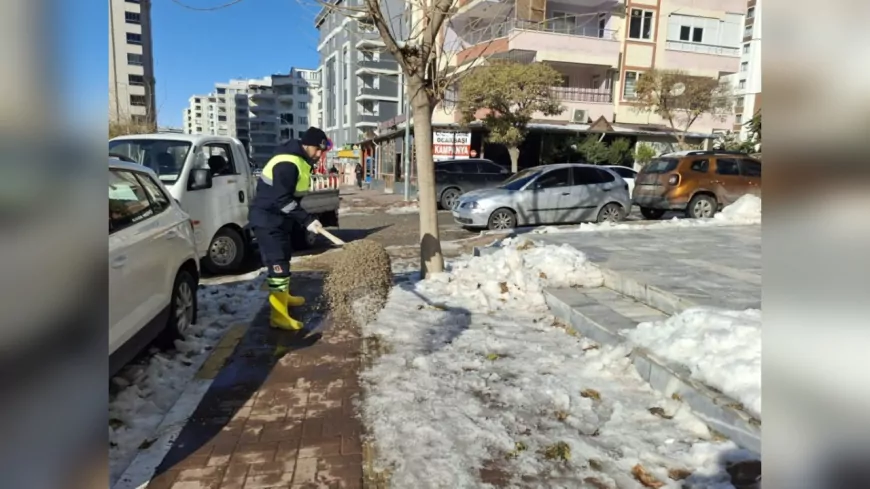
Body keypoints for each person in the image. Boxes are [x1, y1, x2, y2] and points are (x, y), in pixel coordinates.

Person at [248, 127, 332, 331]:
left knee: (284, 260)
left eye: (323, 151)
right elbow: (281, 199)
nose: (320, 155)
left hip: (279, 221)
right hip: (268, 221)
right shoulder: (287, 163)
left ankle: (284, 297)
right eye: (318, 150)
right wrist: (307, 220)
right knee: (278, 266)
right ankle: (278, 316)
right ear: (307, 145)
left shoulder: (300, 159)